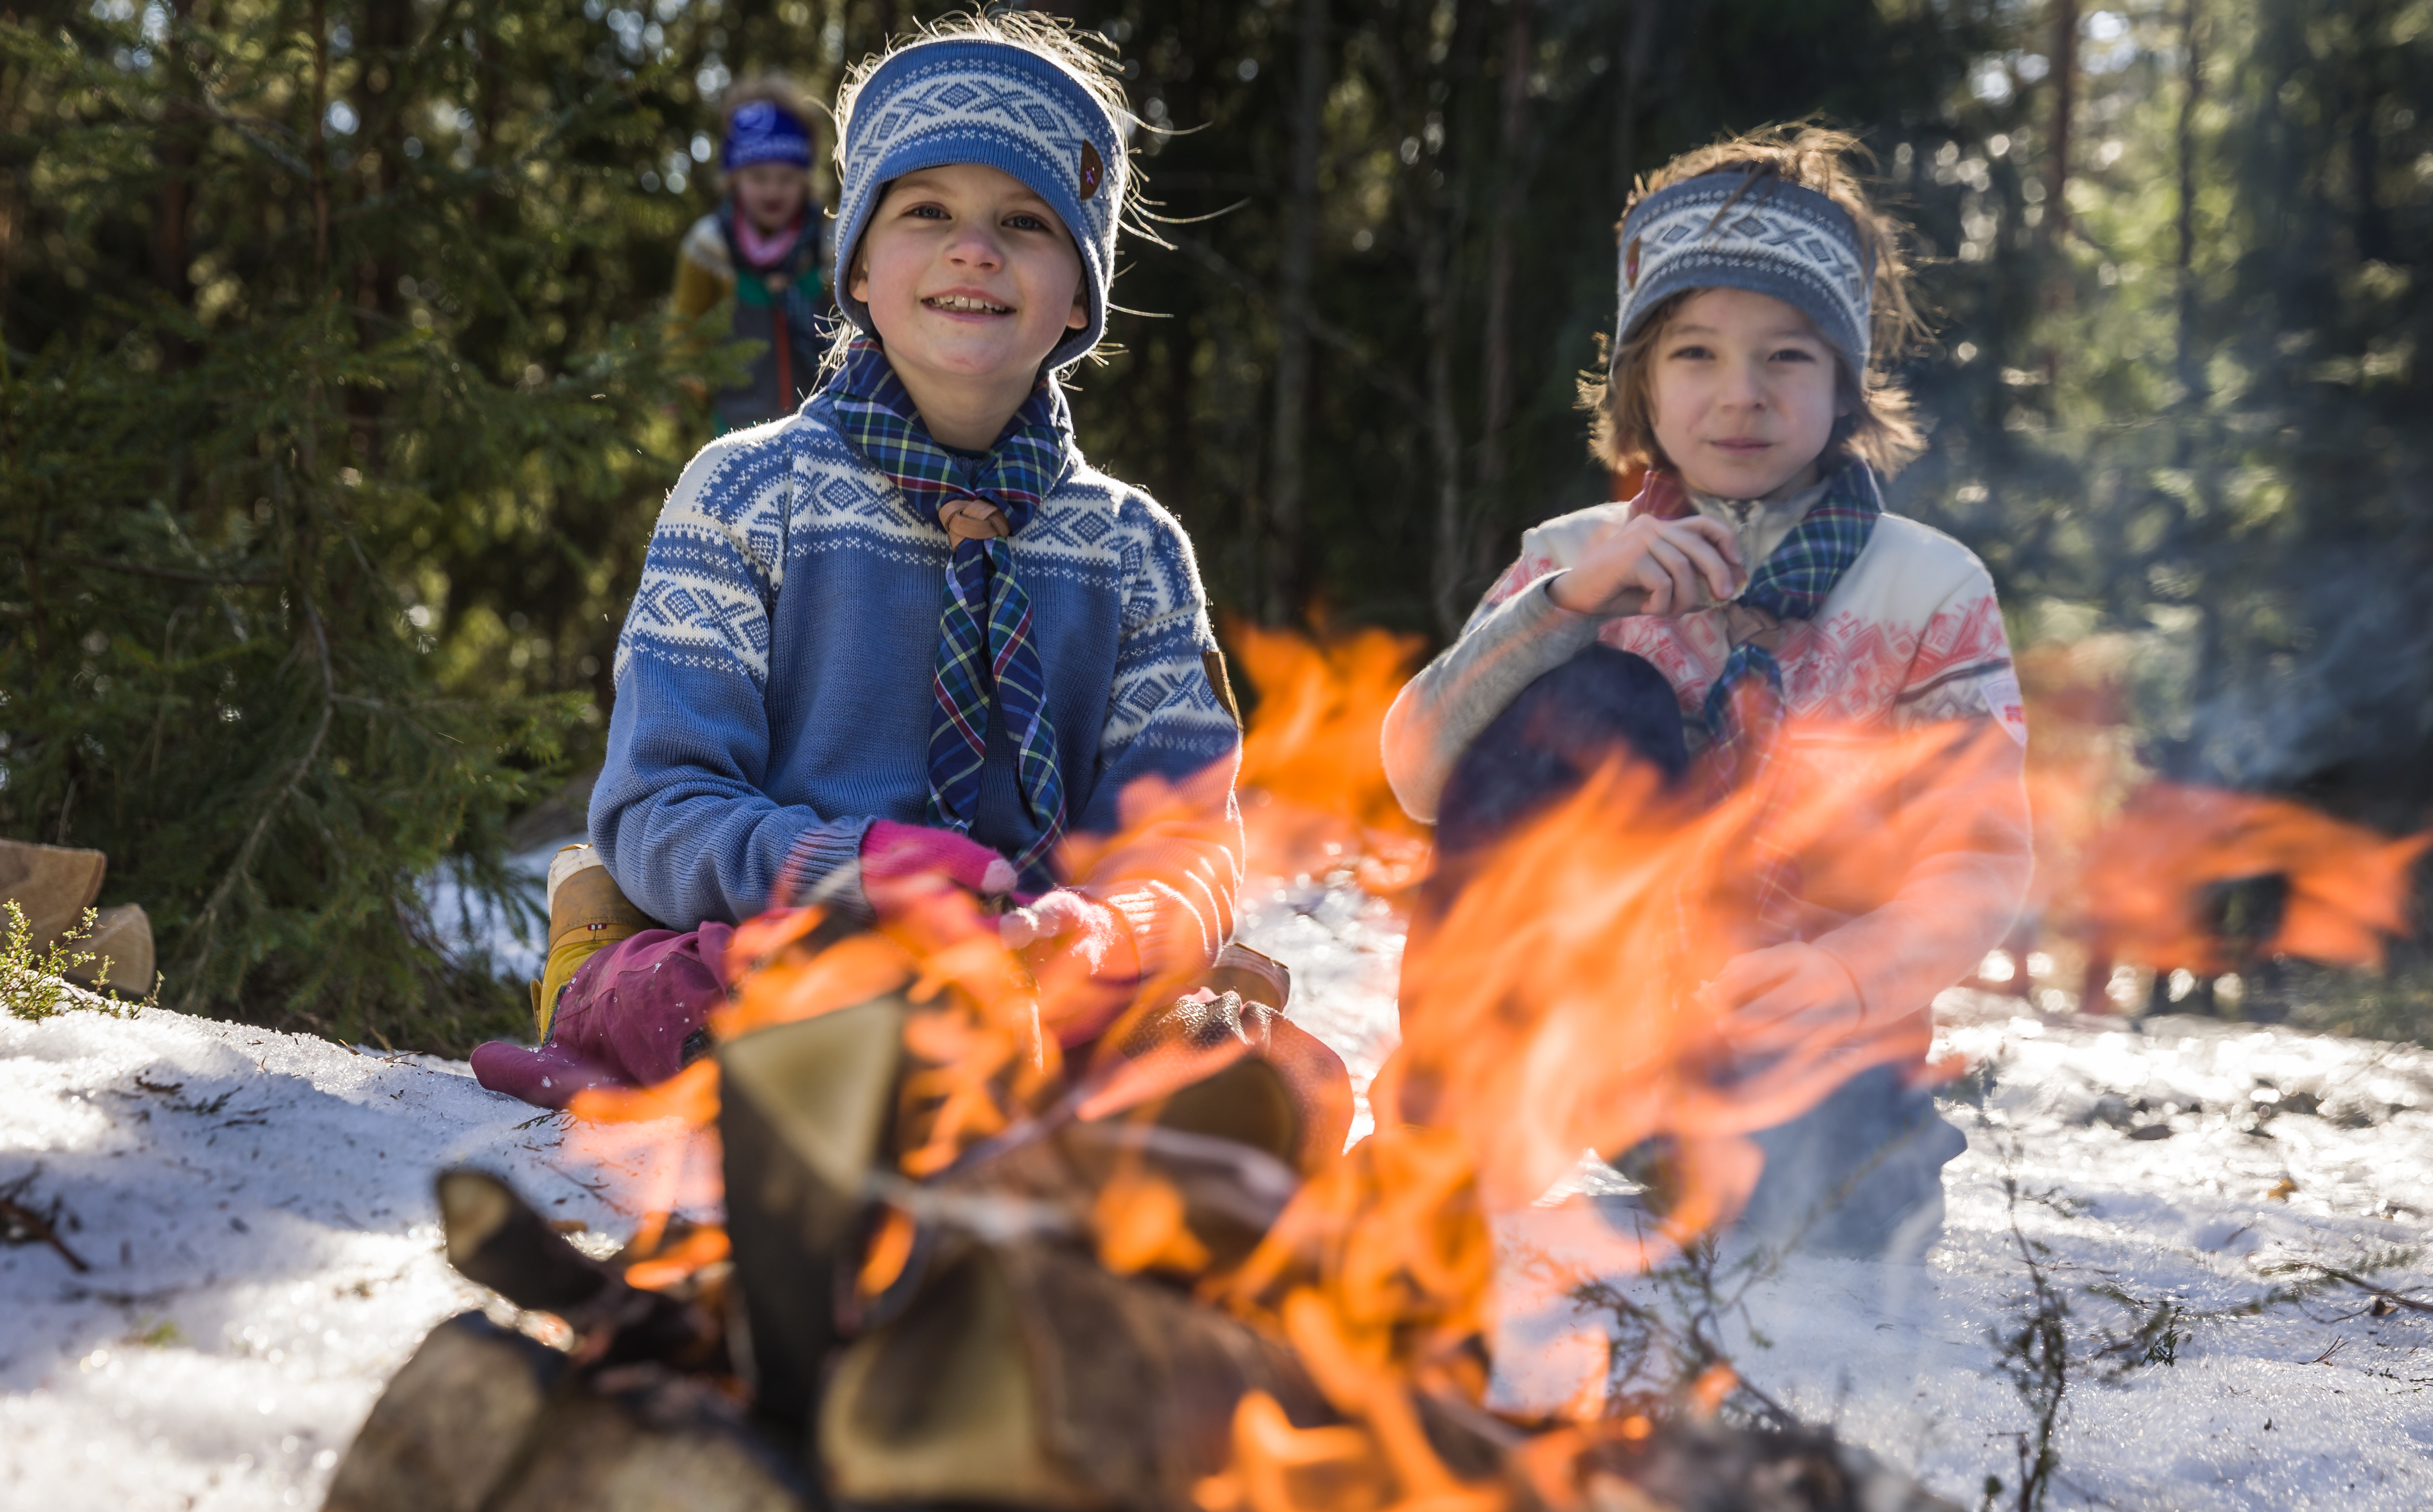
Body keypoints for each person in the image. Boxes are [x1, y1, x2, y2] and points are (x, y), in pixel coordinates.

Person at [474, 17, 1341, 1169]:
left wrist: (1103, 924)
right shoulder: (745, 494)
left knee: (1258, 1058)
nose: (972, 251)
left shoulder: (1133, 551)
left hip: (1046, 972)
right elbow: (657, 810)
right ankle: (849, 1053)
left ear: (1078, 292)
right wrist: (860, 867)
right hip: (788, 943)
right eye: (925, 210)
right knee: (785, 1003)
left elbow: (1183, 844)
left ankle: (1144, 1123)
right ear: (860, 266)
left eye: (1024, 222)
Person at [1380, 124, 2033, 1262]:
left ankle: (1781, 1166)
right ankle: (1469, 1107)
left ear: (1844, 380)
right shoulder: (1574, 557)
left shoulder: (1927, 587)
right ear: (1638, 379)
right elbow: (1417, 773)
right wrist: (1559, 611)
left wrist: (1844, 973)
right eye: (1693, 354)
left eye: (1786, 355)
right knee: (1600, 692)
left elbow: (1978, 862)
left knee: (1841, 1218)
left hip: (1797, 1047)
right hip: (1582, 1036)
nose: (1740, 395)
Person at [672, 77, 835, 436]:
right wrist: (683, 382)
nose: (773, 190)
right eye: (759, 177)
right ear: (734, 177)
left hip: (827, 427)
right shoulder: (709, 247)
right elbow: (685, 323)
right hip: (736, 429)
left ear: (806, 179)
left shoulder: (829, 244)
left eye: (787, 178)